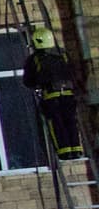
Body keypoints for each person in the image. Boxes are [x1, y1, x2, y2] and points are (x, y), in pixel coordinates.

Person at [23, 23, 85, 161]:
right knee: (71, 122)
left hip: (51, 97)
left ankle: (64, 152)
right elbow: (74, 73)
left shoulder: (35, 59)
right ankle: (77, 150)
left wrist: (37, 83)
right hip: (69, 96)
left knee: (57, 124)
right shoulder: (63, 54)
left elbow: (28, 81)